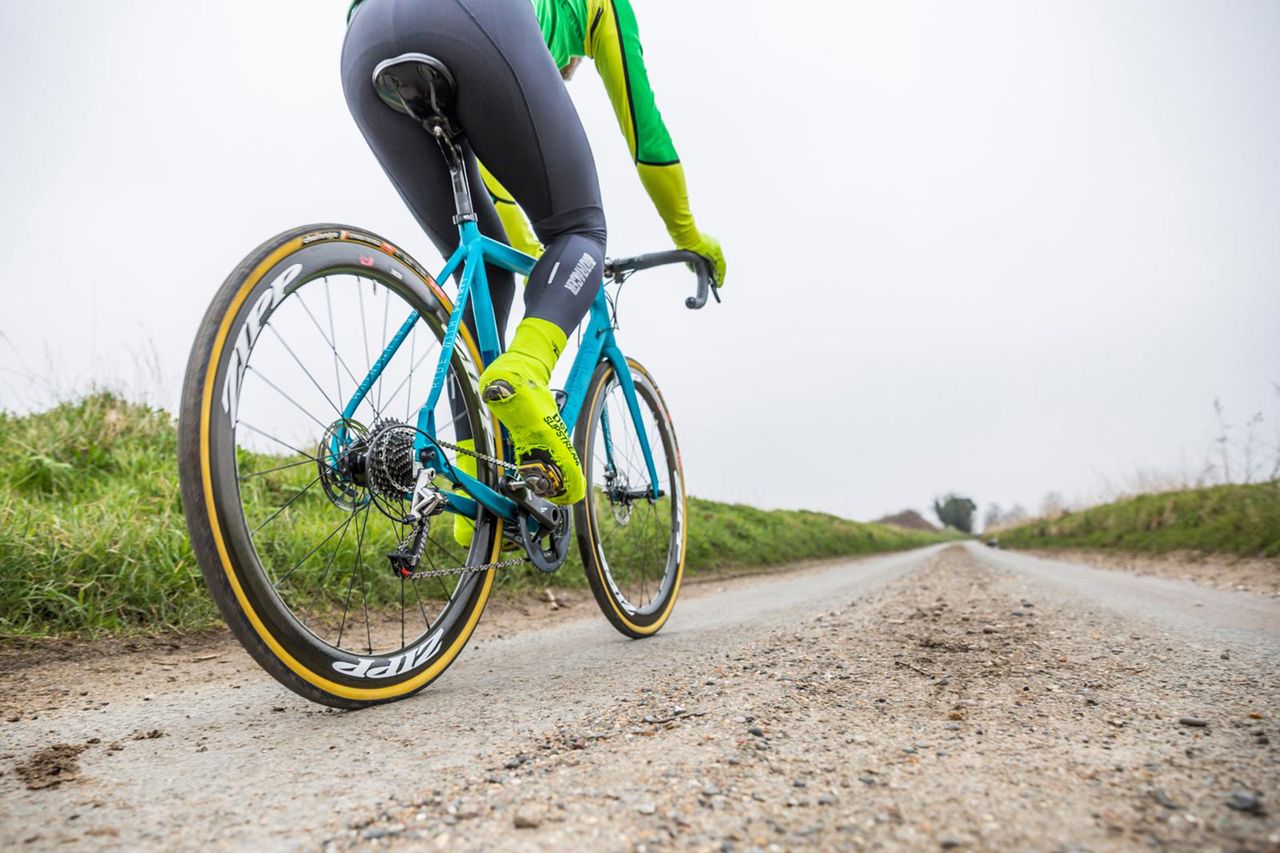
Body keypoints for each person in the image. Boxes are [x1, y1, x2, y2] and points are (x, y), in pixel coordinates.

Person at [341, 0, 724, 545]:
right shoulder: (602, 10)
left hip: (363, 38)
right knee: (580, 229)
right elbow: (648, 139)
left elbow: (505, 211)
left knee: (486, 271)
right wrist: (689, 237)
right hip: (475, 17)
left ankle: (472, 484)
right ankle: (524, 370)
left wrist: (545, 273)